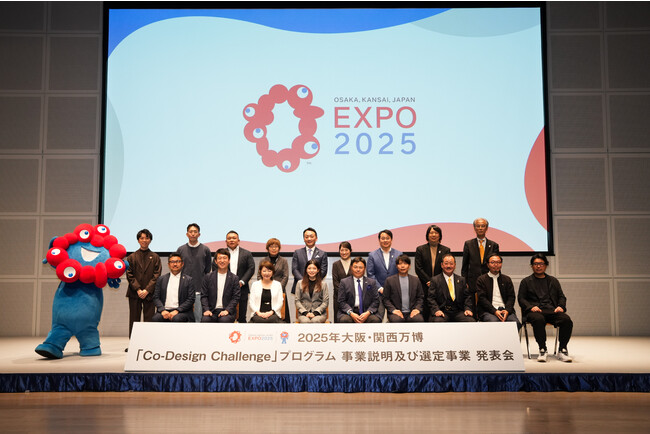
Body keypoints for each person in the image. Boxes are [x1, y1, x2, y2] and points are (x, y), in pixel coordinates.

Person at [518, 253, 573, 362]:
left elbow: (562, 297)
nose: (538, 266)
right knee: (538, 319)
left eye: (541, 264)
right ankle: (542, 349)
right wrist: (531, 307)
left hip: (552, 310)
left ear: (546, 265)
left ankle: (562, 349)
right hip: (535, 311)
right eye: (535, 264)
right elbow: (521, 298)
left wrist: (561, 306)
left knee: (566, 320)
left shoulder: (553, 281)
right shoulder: (526, 281)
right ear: (532, 266)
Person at [125, 229, 161, 343]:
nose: (144, 240)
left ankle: (148, 343)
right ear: (138, 240)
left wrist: (147, 290)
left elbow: (157, 275)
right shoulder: (132, 257)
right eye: (142, 238)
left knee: (149, 319)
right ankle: (133, 343)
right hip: (134, 293)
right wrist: (138, 289)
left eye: (147, 238)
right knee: (134, 319)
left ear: (150, 240)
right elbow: (129, 274)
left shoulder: (155, 257)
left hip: (149, 294)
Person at [176, 223, 212, 322]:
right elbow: (177, 268)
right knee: (182, 315)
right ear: (187, 234)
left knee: (198, 315)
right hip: (183, 288)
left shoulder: (205, 249)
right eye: (190, 232)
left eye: (195, 232)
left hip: (199, 288)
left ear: (199, 234)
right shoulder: (180, 249)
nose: (193, 234)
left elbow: (207, 269)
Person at [414, 224, 451, 321]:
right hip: (424, 284)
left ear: (440, 235)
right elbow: (418, 268)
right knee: (425, 309)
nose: (433, 235)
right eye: (431, 233)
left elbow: (446, 267)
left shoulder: (445, 250)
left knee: (439, 309)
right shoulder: (420, 249)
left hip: (440, 284)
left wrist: (435, 282)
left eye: (436, 233)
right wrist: (429, 280)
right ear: (427, 235)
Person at [217, 231, 255, 323]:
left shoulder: (246, 253)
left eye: (234, 238)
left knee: (242, 316)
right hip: (224, 289)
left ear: (238, 241)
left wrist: (242, 282)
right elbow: (215, 267)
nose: (231, 240)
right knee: (226, 315)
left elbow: (251, 268)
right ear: (226, 241)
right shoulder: (221, 254)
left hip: (242, 288)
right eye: (229, 238)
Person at [475, 254, 520, 329]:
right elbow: (482, 299)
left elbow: (511, 297)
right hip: (488, 311)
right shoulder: (481, 280)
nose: (496, 265)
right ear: (487, 265)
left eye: (498, 262)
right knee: (494, 323)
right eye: (493, 262)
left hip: (505, 310)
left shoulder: (507, 279)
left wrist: (507, 310)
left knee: (516, 323)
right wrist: (494, 311)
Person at [367, 229, 402, 321]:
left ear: (391, 240)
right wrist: (380, 288)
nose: (385, 240)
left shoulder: (399, 254)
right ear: (379, 240)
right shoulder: (372, 255)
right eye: (383, 238)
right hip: (379, 293)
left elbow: (401, 272)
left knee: (396, 318)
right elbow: (370, 274)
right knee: (377, 318)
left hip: (394, 292)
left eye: (387, 238)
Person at [429, 254, 475, 322]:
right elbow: (431, 298)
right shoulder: (435, 280)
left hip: (458, 311)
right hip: (442, 311)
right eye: (446, 263)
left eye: (451, 263)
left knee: (470, 321)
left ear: (455, 265)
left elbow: (467, 297)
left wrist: (467, 309)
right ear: (442, 265)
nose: (448, 266)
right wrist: (436, 310)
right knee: (438, 321)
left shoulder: (461, 280)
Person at [152, 253, 195, 322]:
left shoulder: (188, 280)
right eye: (172, 262)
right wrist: (162, 310)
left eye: (178, 262)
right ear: (168, 264)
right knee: (156, 318)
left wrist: (177, 310)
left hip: (182, 311)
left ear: (182, 264)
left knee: (177, 318)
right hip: (165, 310)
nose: (175, 264)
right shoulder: (161, 279)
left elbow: (191, 299)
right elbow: (156, 297)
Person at [461, 218, 499, 294]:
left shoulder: (493, 245)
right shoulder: (468, 244)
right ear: (474, 228)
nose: (480, 228)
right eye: (478, 226)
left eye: (483, 226)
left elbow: (497, 265)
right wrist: (465, 281)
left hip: (489, 279)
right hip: (472, 281)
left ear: (486, 228)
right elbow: (465, 265)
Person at [201, 248, 240, 323]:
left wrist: (227, 310)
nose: (222, 261)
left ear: (229, 260)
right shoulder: (208, 277)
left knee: (224, 320)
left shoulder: (234, 278)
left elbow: (235, 297)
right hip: (211, 311)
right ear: (215, 261)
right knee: (205, 319)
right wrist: (206, 310)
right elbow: (204, 296)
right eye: (219, 258)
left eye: (224, 258)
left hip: (227, 312)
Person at [337, 257, 381, 323]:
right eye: (355, 267)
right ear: (351, 268)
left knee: (374, 320)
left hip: (367, 311)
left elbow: (376, 301)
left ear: (365, 268)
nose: (358, 270)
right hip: (349, 312)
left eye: (360, 267)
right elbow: (341, 301)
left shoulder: (372, 282)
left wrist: (368, 312)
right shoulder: (344, 282)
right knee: (345, 320)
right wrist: (351, 313)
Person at [383, 254, 424, 322]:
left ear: (409, 266)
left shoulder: (416, 280)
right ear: (396, 266)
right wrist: (393, 310)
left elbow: (420, 297)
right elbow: (385, 299)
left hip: (412, 311)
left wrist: (417, 309)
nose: (402, 266)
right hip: (396, 312)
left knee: (418, 319)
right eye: (400, 264)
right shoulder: (389, 280)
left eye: (405, 263)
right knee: (396, 320)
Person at [257, 238, 290, 323]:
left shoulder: (283, 261)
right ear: (267, 248)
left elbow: (285, 276)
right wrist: (265, 286)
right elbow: (259, 276)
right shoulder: (263, 260)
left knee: (282, 315)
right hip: (264, 291)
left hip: (280, 290)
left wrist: (277, 288)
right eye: (271, 246)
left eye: (276, 246)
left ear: (279, 248)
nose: (274, 248)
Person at [291, 227, 328, 295]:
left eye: (311, 236)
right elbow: (294, 269)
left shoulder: (322, 254)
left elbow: (323, 271)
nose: (309, 239)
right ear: (304, 239)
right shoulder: (297, 252)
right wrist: (303, 281)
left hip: (317, 287)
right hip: (300, 287)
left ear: (316, 238)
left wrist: (313, 282)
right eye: (306, 237)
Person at [331, 241, 353, 323]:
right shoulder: (335, 264)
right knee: (338, 321)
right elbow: (335, 282)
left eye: (346, 250)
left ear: (350, 251)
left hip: (353, 298)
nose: (344, 252)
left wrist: (350, 293)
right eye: (342, 250)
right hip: (338, 298)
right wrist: (344, 294)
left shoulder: (355, 264)